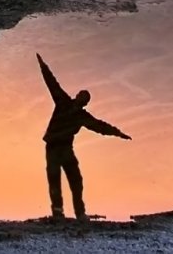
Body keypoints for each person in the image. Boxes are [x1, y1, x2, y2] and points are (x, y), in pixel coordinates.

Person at [36, 52, 131, 220]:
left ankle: (79, 213)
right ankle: (58, 212)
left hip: (65, 148)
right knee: (54, 178)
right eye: (81, 95)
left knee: (76, 180)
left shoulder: (82, 116)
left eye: (85, 98)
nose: (82, 99)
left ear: (85, 103)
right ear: (77, 96)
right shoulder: (63, 102)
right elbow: (52, 83)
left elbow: (101, 126)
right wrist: (43, 66)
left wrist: (118, 133)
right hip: (53, 146)